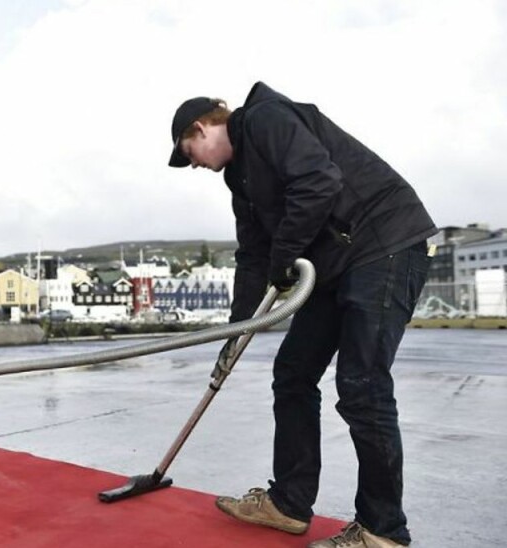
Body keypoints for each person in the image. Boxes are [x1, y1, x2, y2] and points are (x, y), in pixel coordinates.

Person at [168, 82, 436, 547]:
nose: (193, 164)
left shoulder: (265, 118)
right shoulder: (240, 178)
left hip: (383, 244)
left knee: (361, 385)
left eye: (189, 151)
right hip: (336, 266)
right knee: (292, 372)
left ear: (203, 126)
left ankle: (382, 530)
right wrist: (237, 329)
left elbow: (319, 182)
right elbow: (254, 256)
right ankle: (289, 502)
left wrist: (284, 256)